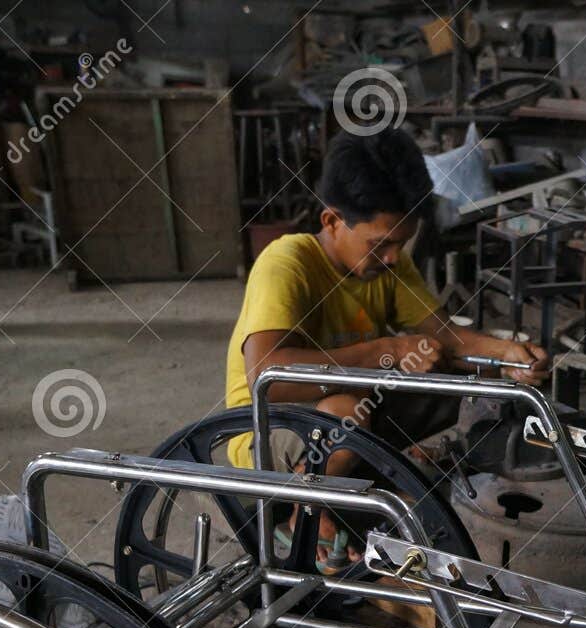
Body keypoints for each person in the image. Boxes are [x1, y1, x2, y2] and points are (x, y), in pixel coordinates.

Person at [224, 128, 547, 497]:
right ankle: (305, 520)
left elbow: (446, 337)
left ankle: (358, 478)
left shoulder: (387, 264)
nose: (393, 256)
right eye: (381, 244)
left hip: (352, 405)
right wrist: (384, 352)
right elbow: (268, 377)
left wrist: (506, 355)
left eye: (401, 242)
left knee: (455, 379)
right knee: (349, 412)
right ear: (332, 221)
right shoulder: (287, 263)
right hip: (265, 426)